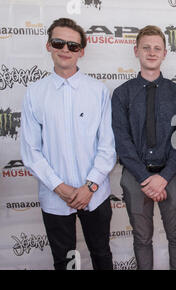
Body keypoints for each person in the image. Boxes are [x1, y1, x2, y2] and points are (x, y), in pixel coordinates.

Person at [20, 18, 116, 270]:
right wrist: (59, 187)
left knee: (101, 254)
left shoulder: (98, 91)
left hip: (95, 195)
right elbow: (31, 150)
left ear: (81, 51)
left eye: (73, 46)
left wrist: (89, 186)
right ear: (48, 46)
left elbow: (107, 146)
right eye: (59, 43)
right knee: (66, 262)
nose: (65, 50)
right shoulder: (34, 93)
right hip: (55, 197)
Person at [111, 25, 176, 270]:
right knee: (142, 238)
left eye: (157, 48)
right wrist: (146, 178)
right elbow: (121, 141)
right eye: (146, 47)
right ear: (136, 51)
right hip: (136, 177)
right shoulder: (122, 94)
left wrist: (164, 177)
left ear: (165, 53)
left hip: (172, 175)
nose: (151, 52)